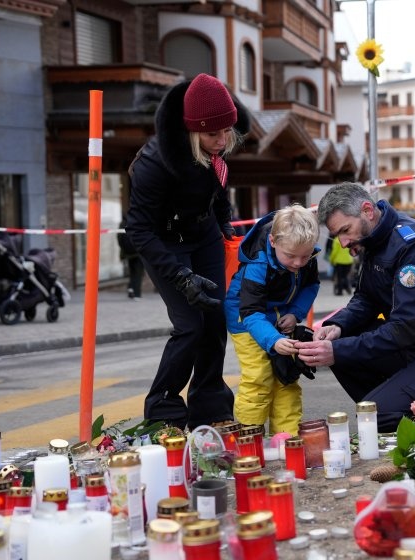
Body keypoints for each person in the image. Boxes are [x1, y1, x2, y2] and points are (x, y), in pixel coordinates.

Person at [295, 182, 415, 432]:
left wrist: (337, 350)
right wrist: (337, 326)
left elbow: (403, 329)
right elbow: (366, 299)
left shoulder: (414, 247)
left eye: (345, 230)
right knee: (342, 344)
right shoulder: (374, 241)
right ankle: (395, 403)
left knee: (375, 416)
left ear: (367, 211)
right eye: (338, 235)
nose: (343, 243)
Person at [126, 73, 250, 430]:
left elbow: (218, 190)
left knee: (214, 321)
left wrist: (225, 221)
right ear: (192, 132)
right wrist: (180, 276)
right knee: (190, 326)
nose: (222, 141)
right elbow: (138, 230)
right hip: (163, 242)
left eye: (227, 132)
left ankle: (210, 408)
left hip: (204, 234)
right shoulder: (154, 165)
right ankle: (162, 410)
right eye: (213, 135)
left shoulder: (215, 152)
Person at [224, 204, 320, 435]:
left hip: (280, 317)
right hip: (246, 320)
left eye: (305, 256)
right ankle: (251, 434)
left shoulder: (306, 256)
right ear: (273, 241)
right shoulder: (257, 265)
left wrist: (295, 313)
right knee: (259, 376)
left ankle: (286, 437)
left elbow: (311, 286)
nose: (298, 263)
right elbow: (250, 312)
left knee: (286, 376)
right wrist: (273, 340)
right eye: (291, 256)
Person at [117, 215, 143, 300]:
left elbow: (119, 238)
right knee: (138, 273)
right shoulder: (138, 221)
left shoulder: (123, 223)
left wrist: (124, 250)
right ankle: (137, 294)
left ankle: (131, 289)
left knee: (132, 272)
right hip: (138, 252)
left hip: (128, 253)